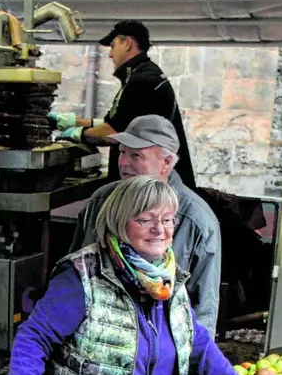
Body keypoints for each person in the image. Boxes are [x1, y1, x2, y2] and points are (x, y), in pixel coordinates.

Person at [9, 175, 269, 375]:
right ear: (119, 222)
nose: (159, 229)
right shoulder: (83, 277)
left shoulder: (168, 281)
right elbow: (32, 341)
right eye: (145, 219)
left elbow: (196, 345)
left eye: (167, 220)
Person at [71, 115, 222, 335]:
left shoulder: (197, 220)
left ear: (166, 163)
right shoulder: (101, 202)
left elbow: (204, 309)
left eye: (135, 155)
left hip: (159, 345)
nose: (123, 163)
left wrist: (192, 362)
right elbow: (74, 273)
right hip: (97, 339)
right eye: (122, 152)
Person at [49, 20, 197, 189]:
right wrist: (72, 121)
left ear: (127, 43)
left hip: (153, 185)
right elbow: (121, 122)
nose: (110, 54)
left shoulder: (143, 81)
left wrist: (76, 134)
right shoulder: (140, 75)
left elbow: (113, 132)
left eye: (113, 46)